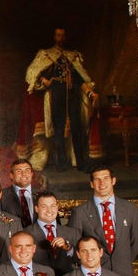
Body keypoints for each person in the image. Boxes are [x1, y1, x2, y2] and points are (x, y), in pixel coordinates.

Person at [25, 27, 99, 171]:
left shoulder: (72, 56)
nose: (61, 38)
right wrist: (43, 80)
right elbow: (34, 73)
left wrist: (90, 93)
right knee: (58, 129)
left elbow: (79, 78)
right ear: (54, 37)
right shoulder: (46, 55)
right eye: (58, 35)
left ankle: (82, 163)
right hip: (56, 94)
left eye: (63, 35)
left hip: (73, 95)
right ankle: (61, 163)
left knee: (77, 128)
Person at [69, 166, 138, 276]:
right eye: (97, 179)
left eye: (105, 179)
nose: (102, 183)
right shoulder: (80, 212)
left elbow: (136, 241)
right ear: (91, 184)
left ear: (113, 181)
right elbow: (75, 245)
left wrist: (121, 260)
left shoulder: (130, 209)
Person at [27, 191, 79, 276]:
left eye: (53, 206)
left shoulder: (73, 233)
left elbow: (82, 260)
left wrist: (68, 248)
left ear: (57, 207)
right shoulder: (26, 234)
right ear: (36, 209)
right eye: (44, 206)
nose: (49, 210)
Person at [0, 159, 37, 228]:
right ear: (11, 175)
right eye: (19, 171)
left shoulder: (42, 194)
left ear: (32, 174)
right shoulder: (1, 196)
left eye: (27, 170)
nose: (24, 174)